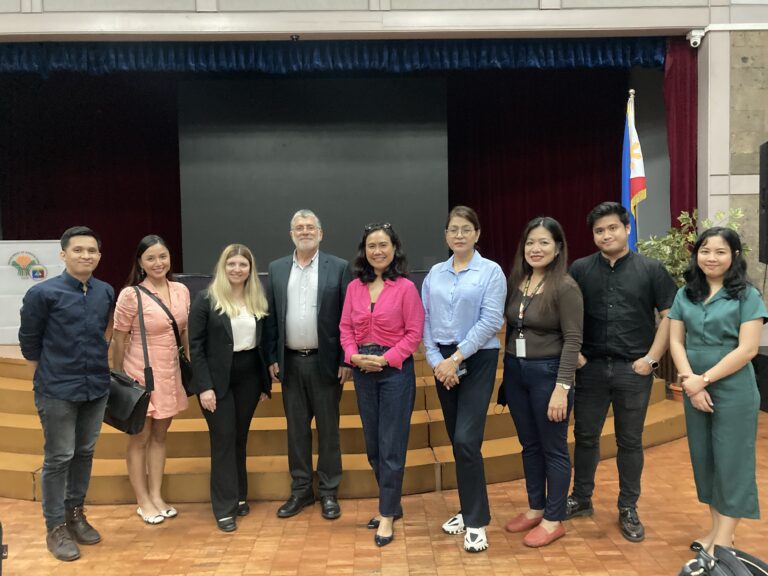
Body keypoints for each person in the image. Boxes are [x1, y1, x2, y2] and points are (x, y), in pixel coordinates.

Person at [566, 201, 677, 542]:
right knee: (585, 438)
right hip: (592, 369)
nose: (606, 235)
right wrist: (578, 357)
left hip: (634, 370)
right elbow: (566, 314)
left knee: (630, 441)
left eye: (612, 228)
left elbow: (670, 316)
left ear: (627, 229)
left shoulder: (651, 269)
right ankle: (581, 498)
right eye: (599, 230)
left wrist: (652, 359)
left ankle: (628, 507)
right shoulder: (581, 269)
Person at [19, 226, 115, 562]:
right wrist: (44, 379)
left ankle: (75, 514)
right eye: (78, 250)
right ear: (63, 254)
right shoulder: (42, 294)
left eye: (92, 250)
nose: (86, 256)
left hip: (96, 387)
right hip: (56, 389)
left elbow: (104, 332)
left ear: (99, 256)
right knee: (59, 458)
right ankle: (55, 526)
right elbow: (29, 342)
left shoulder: (105, 291)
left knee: (85, 452)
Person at [668, 227, 766, 554]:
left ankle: (724, 541)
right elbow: (675, 341)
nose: (712, 257)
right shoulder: (686, 294)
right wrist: (689, 381)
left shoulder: (748, 296)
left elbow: (748, 349)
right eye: (705, 250)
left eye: (720, 251)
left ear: (735, 256)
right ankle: (716, 530)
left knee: (732, 461)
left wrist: (703, 380)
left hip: (734, 388)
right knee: (705, 459)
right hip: (693, 385)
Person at [421, 205, 506, 553]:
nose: (459, 235)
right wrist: (437, 362)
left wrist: (455, 359)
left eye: (465, 229)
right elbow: (424, 320)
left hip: (478, 358)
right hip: (443, 362)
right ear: (445, 235)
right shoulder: (434, 274)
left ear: (477, 234)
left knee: (467, 441)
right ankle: (468, 506)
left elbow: (490, 321)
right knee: (458, 441)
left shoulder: (491, 271)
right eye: (453, 229)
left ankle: (476, 522)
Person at [339, 222, 424, 547]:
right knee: (374, 447)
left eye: (383, 245)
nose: (377, 251)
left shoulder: (405, 288)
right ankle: (393, 503)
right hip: (362, 371)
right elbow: (345, 327)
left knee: (391, 447)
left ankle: (387, 513)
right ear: (365, 251)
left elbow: (413, 333)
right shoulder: (354, 288)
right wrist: (352, 356)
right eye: (372, 246)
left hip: (395, 373)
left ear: (394, 249)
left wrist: (386, 359)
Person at [500, 217, 582, 547]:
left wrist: (562, 388)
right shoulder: (518, 280)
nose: (536, 248)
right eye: (531, 242)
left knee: (553, 447)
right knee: (529, 444)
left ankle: (554, 518)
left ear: (558, 247)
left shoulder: (565, 286)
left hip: (549, 373)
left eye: (544, 242)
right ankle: (536, 507)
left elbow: (574, 339)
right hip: (516, 371)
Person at [264, 210, 352, 520]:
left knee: (329, 431)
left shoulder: (339, 268)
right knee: (296, 431)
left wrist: (345, 358)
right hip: (289, 362)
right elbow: (271, 318)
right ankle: (301, 490)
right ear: (291, 234)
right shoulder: (276, 269)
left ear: (321, 233)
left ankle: (328, 492)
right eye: (299, 228)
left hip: (325, 363)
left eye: (310, 227)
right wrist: (272, 358)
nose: (304, 231)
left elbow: (347, 317)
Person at [188, 244, 271, 532]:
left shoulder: (257, 298)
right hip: (216, 380)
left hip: (249, 377)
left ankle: (238, 496)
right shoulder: (206, 299)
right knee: (223, 439)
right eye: (231, 264)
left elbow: (262, 344)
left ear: (250, 269)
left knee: (239, 438)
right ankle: (223, 508)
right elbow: (195, 348)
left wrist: (263, 381)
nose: (237, 269)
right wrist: (204, 387)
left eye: (243, 265)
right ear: (223, 267)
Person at [112, 235, 190, 525]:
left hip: (169, 370)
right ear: (141, 263)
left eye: (163, 257)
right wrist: (118, 377)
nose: (159, 263)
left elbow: (183, 333)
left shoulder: (181, 290)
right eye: (151, 258)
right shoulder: (131, 294)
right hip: (139, 372)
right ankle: (142, 500)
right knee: (140, 437)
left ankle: (156, 495)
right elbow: (118, 338)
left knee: (160, 435)